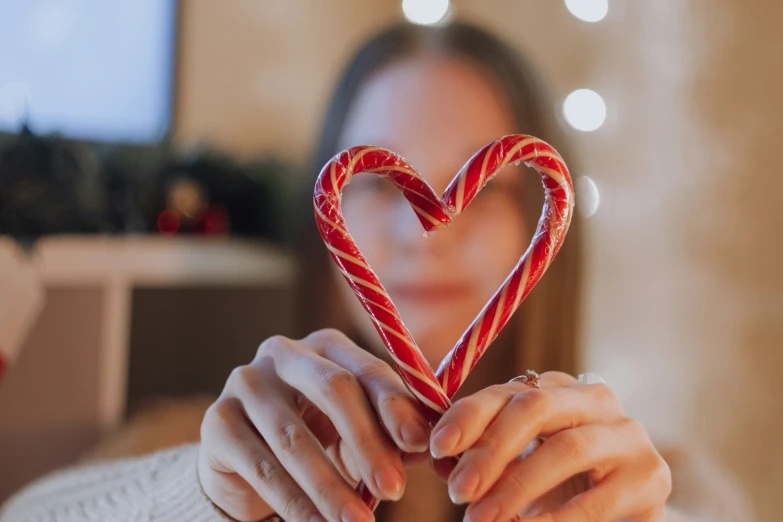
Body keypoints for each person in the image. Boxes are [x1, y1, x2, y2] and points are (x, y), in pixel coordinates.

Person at [0, 22, 751, 522]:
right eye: (374, 181)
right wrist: (199, 494)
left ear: (542, 228)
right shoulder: (201, 442)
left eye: (484, 190)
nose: (425, 233)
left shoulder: (662, 483)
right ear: (324, 218)